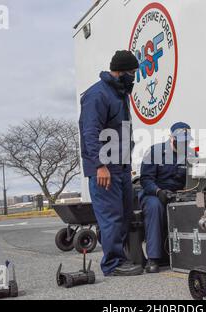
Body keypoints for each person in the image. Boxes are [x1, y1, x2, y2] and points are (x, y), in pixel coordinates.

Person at [79, 50, 143, 276]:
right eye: (133, 72)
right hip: (105, 168)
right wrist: (100, 165)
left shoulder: (120, 93)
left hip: (121, 167)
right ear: (121, 71)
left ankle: (122, 258)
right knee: (111, 217)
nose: (134, 77)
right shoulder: (97, 95)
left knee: (124, 215)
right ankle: (113, 265)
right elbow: (90, 132)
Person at [139, 122, 195, 273]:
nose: (184, 144)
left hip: (179, 193)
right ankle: (153, 258)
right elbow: (145, 180)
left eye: (187, 141)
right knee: (155, 206)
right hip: (154, 194)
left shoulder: (191, 154)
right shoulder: (154, 151)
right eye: (181, 141)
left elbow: (196, 179)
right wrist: (158, 191)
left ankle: (193, 255)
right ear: (172, 138)